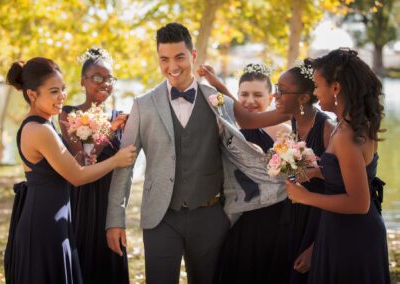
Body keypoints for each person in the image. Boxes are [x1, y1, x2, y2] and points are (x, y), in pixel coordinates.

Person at [105, 22, 258, 284]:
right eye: (164, 59)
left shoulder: (216, 101)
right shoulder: (143, 105)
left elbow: (238, 154)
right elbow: (125, 165)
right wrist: (115, 220)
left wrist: (230, 213)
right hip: (160, 218)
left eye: (179, 57)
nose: (172, 66)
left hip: (210, 215)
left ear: (193, 56)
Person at [4, 57, 136, 284]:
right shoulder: (39, 130)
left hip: (55, 221)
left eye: (63, 89)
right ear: (32, 95)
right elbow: (77, 176)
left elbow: (66, 166)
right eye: (54, 91)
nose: (62, 97)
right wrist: (116, 160)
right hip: (44, 227)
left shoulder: (43, 124)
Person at [200, 59, 334, 283]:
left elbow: (338, 185)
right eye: (277, 91)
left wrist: (316, 247)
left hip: (315, 215)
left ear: (302, 97)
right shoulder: (291, 116)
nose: (277, 97)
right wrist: (219, 86)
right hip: (290, 213)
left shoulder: (327, 128)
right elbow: (246, 118)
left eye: (282, 91)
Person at [286, 48, 390, 283]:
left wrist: (304, 198)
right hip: (343, 229)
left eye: (317, 85)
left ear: (335, 88)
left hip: (352, 235)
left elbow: (359, 203)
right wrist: (318, 172)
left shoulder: (346, 134)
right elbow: (353, 174)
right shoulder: (352, 124)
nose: (314, 92)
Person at [200, 63, 291, 283]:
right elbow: (239, 119)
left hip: (275, 215)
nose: (250, 100)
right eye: (244, 94)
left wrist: (219, 85)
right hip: (240, 216)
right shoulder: (230, 128)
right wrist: (216, 85)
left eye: (258, 94)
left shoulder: (283, 130)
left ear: (270, 98)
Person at [59, 48, 129, 284]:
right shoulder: (67, 114)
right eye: (97, 78)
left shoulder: (121, 116)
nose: (104, 84)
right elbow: (82, 159)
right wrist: (109, 130)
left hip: (110, 203)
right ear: (83, 81)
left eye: (109, 78)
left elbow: (128, 164)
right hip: (80, 200)